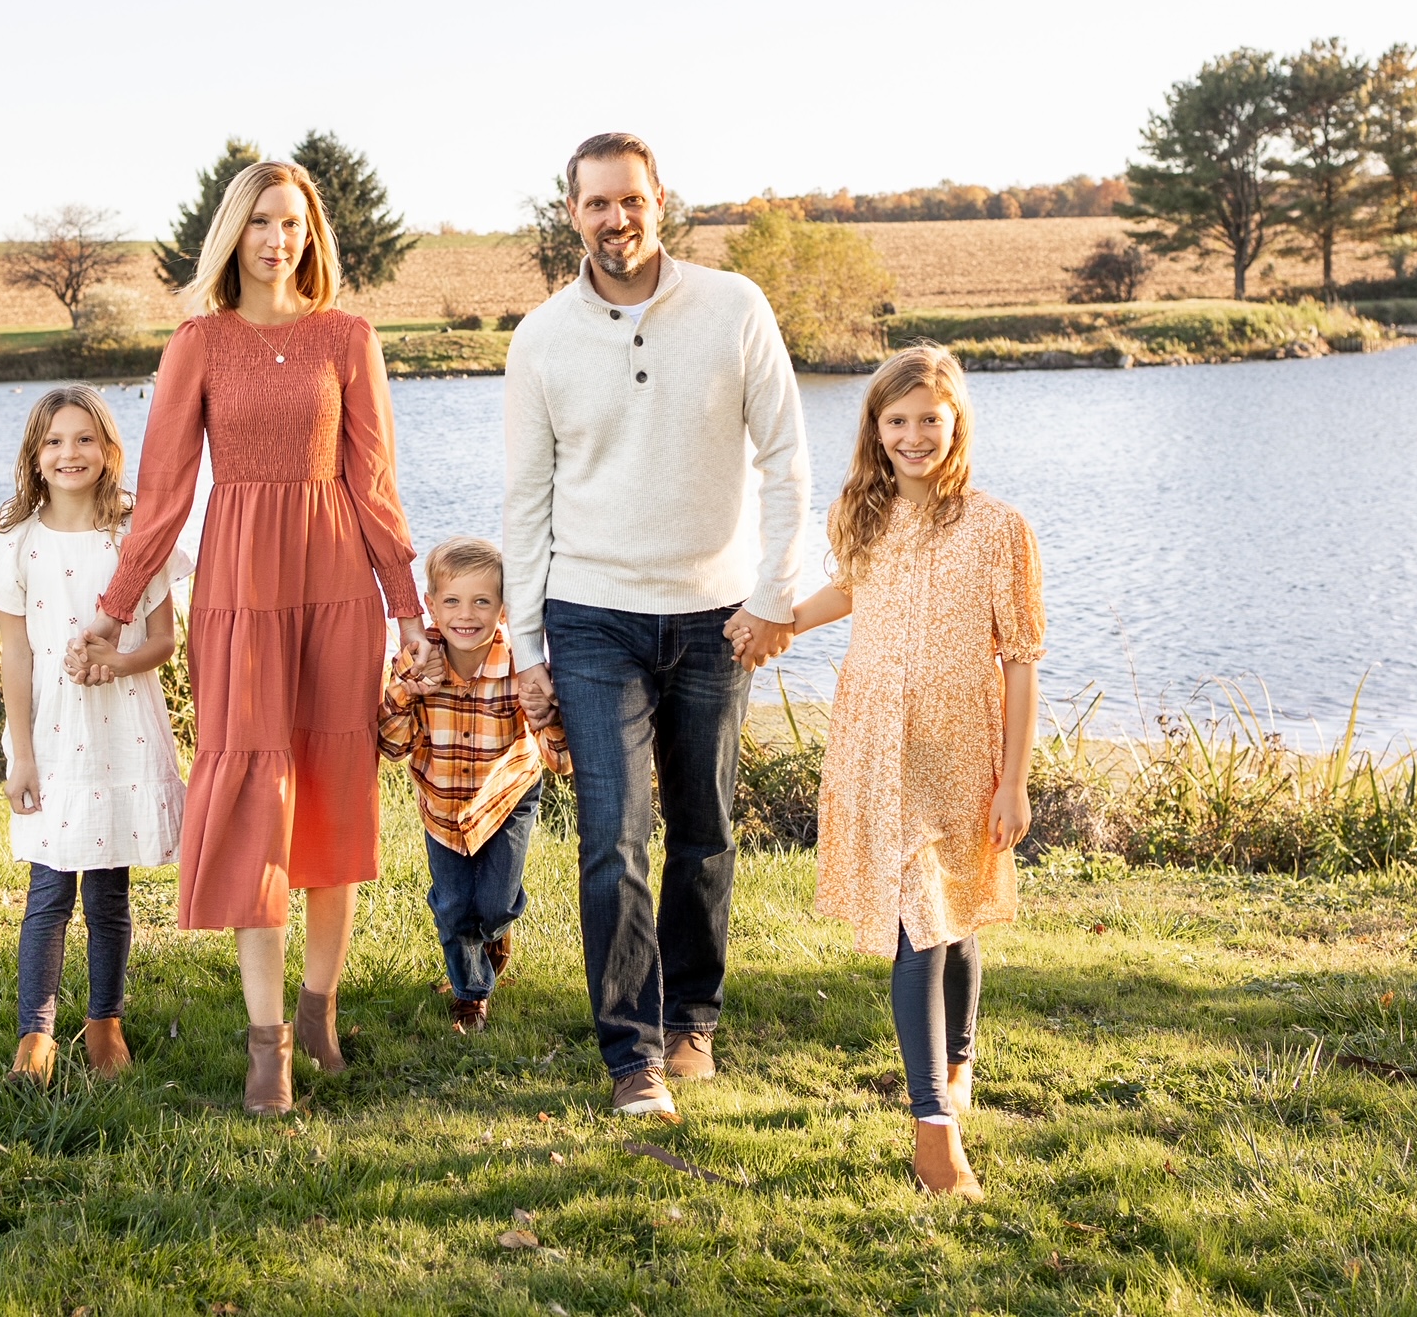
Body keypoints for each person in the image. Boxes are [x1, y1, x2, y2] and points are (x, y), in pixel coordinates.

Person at [80, 160, 436, 1117]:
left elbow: (374, 486)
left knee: (330, 797)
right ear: (231, 235)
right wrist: (115, 608)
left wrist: (409, 611)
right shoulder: (199, 343)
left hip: (336, 590)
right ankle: (267, 1046)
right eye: (263, 223)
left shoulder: (348, 339)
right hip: (237, 590)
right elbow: (162, 497)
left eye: (295, 223)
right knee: (252, 798)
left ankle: (320, 1011)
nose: (280, 240)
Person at [503, 131, 812, 1118]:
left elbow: (789, 460)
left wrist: (772, 593)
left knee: (706, 828)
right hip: (591, 617)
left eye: (629, 199)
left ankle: (691, 1019)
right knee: (612, 839)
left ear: (660, 202)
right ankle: (631, 1050)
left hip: (716, 615)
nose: (614, 218)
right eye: (595, 203)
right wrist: (522, 648)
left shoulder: (733, 307)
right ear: (572, 214)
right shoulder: (541, 339)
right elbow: (525, 500)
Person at [778, 343, 1043, 1199]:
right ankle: (935, 1131)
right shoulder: (862, 513)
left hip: (962, 750)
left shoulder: (1001, 528)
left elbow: (1022, 661)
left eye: (929, 418)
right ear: (876, 428)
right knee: (915, 922)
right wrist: (769, 624)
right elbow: (849, 595)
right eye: (897, 420)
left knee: (954, 908)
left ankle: (957, 1063)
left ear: (956, 419)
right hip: (875, 746)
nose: (914, 435)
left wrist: (1013, 780)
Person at [0, 384, 190, 1087]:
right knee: (50, 887)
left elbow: (163, 641)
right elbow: (15, 656)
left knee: (109, 890)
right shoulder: (16, 545)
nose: (69, 453)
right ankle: (36, 1034)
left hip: (122, 728)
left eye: (84, 439)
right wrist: (21, 753)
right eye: (54, 441)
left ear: (108, 449)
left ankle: (105, 1020)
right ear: (34, 455)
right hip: (52, 737)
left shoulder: (134, 535)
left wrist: (113, 660)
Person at [377, 536, 571, 1034]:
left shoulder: (522, 666)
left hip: (506, 795)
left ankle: (497, 931)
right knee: (454, 906)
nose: (467, 615)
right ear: (430, 608)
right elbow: (392, 748)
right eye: (453, 602)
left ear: (504, 608)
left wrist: (548, 715)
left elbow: (561, 762)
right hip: (441, 802)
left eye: (483, 601)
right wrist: (405, 691)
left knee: (494, 905)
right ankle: (471, 994)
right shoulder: (417, 662)